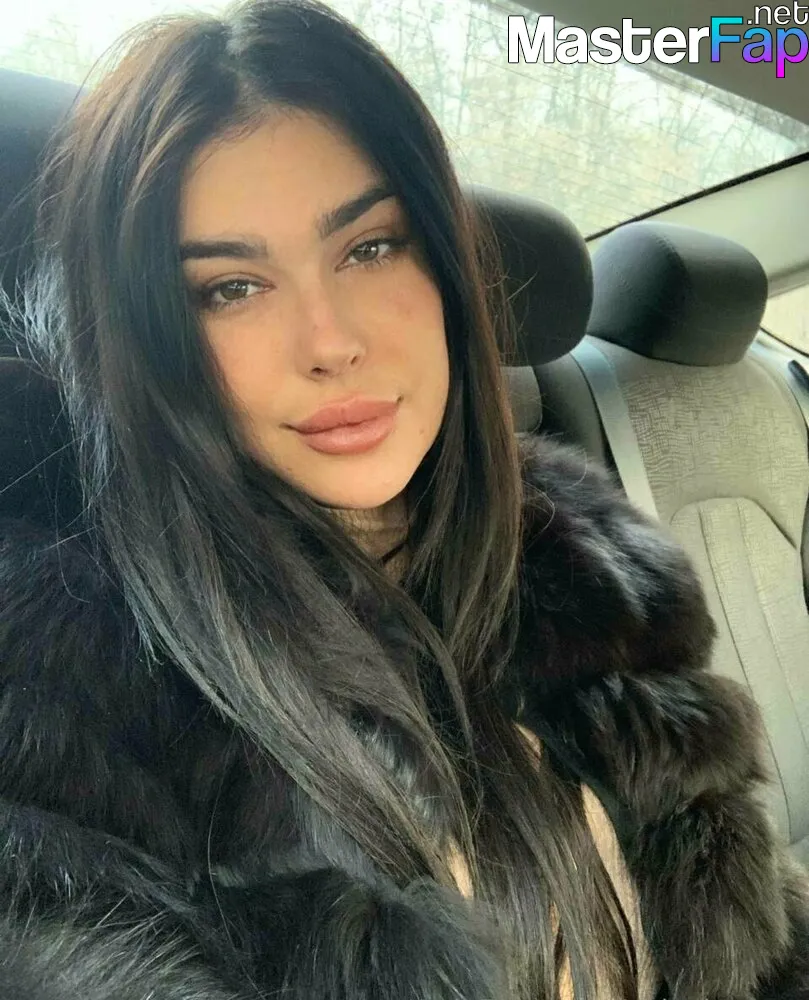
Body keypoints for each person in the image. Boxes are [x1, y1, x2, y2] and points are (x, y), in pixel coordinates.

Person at [0, 1, 807, 997]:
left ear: (444, 265)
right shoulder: (53, 670)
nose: (330, 341)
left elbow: (759, 937)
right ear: (151, 338)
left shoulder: (595, 572)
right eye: (231, 287)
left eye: (369, 248)